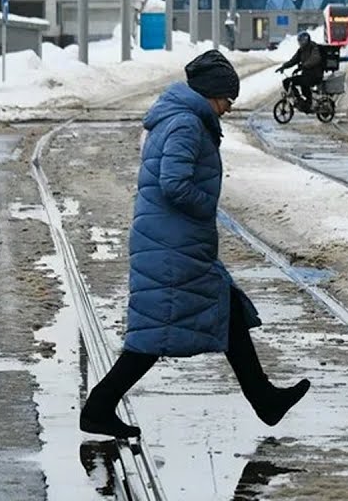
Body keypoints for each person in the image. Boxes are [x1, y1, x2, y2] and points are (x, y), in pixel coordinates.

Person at [81, 50, 310, 438]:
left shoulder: (179, 119)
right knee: (158, 330)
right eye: (227, 100)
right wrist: (208, 207)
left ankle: (264, 399)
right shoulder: (187, 124)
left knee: (226, 308)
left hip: (174, 239)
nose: (227, 109)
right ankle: (99, 407)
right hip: (173, 242)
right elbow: (174, 183)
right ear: (210, 94)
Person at [276, 31, 324, 110]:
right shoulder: (301, 50)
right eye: (299, 41)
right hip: (306, 75)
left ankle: (308, 103)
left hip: (315, 75)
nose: (300, 43)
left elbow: (315, 59)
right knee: (287, 82)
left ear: (306, 40)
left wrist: (304, 66)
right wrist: (284, 67)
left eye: (301, 41)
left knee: (303, 84)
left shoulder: (314, 47)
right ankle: (299, 100)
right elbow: (293, 60)